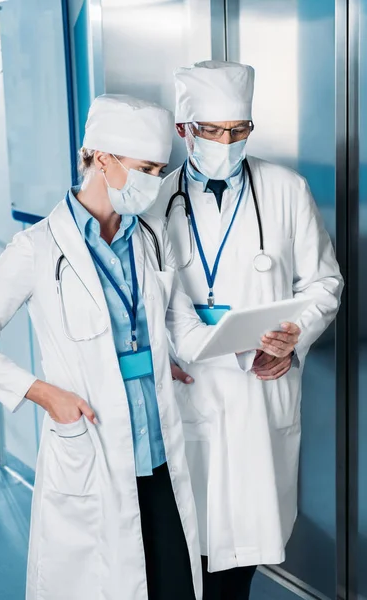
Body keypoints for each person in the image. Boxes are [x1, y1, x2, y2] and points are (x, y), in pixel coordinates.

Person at [0, 94, 219, 600]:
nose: (154, 180)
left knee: (174, 586)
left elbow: (174, 321)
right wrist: (44, 394)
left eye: (160, 168)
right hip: (92, 450)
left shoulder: (150, 236)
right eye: (145, 168)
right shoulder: (36, 248)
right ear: (101, 159)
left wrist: (240, 343)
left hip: (160, 454)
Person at [151, 61, 344, 600]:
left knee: (240, 566)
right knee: (181, 553)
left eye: (238, 131)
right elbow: (145, 302)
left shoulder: (285, 188)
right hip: (189, 389)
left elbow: (324, 282)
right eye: (212, 131)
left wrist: (294, 336)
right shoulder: (156, 202)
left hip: (261, 394)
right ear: (184, 130)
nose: (226, 143)